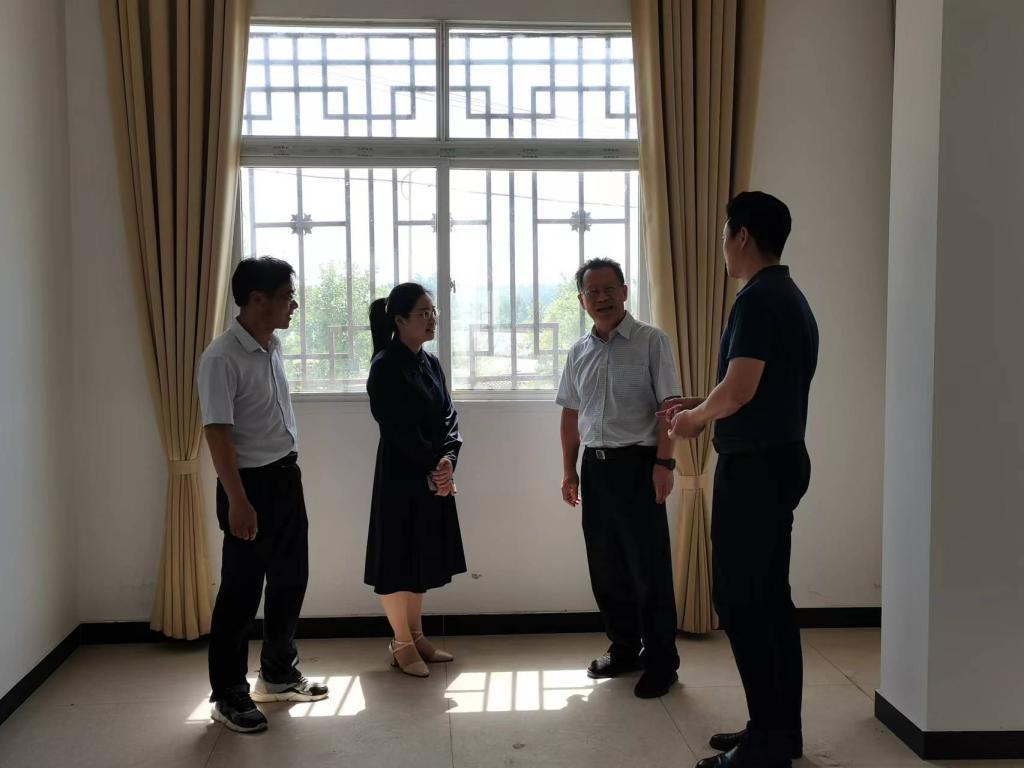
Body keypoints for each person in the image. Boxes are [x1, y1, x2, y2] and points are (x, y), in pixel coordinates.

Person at [660, 191, 818, 768]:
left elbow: (742, 388)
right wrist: (702, 403)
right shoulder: (789, 296)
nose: (723, 247)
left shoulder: (756, 299)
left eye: (726, 235)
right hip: (779, 458)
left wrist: (694, 420)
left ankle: (767, 741)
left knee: (742, 600)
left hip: (754, 468)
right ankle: (778, 731)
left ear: (742, 236)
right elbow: (750, 386)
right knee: (769, 600)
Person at [197, 257, 328, 733]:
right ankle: (228, 693)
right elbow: (217, 433)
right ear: (257, 300)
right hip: (248, 486)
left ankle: (277, 673)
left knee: (291, 579)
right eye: (287, 296)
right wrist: (238, 500)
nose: (294, 305)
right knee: (241, 591)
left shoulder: (271, 346)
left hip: (285, 478)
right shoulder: (221, 358)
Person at [556, 257, 683, 699]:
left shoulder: (652, 341)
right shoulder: (578, 351)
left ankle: (663, 662)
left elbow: (669, 409)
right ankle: (625, 648)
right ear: (582, 301)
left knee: (649, 569)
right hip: (595, 468)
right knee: (607, 568)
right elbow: (571, 415)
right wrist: (569, 470)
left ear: (625, 292)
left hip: (639, 466)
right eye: (592, 291)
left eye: (609, 288)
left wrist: (664, 464)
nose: (601, 297)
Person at [365, 283, 466, 677]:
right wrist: (433, 464)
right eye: (423, 313)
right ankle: (401, 643)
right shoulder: (384, 366)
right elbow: (396, 428)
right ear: (399, 320)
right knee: (397, 558)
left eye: (433, 311)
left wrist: (448, 460)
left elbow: (449, 416)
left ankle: (417, 636)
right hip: (400, 475)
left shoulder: (431, 362)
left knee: (420, 555)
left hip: (433, 472)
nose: (432, 319)